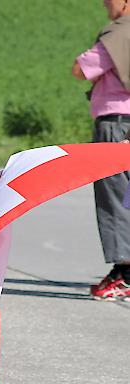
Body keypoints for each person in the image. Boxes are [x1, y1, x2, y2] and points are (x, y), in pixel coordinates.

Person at [72, 0, 130, 299]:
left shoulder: (121, 32)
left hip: (117, 124)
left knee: (115, 196)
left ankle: (125, 272)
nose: (104, 2)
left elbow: (80, 69)